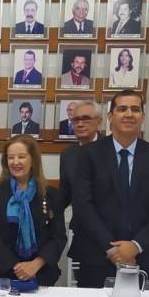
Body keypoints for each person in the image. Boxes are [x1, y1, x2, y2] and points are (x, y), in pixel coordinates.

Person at [70, 89, 149, 288]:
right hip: (97, 256)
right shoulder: (88, 154)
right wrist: (113, 249)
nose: (128, 114)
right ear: (110, 117)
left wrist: (135, 246)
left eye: (135, 109)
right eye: (122, 109)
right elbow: (83, 204)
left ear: (142, 116)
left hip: (142, 256)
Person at [0, 136, 66, 286]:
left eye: (21, 157)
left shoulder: (51, 195)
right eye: (10, 157)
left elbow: (58, 237)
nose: (15, 162)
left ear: (33, 160)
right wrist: (16, 267)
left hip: (40, 274)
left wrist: (35, 264)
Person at [58, 101, 102, 260]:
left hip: (112, 231)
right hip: (82, 230)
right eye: (76, 120)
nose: (80, 124)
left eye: (86, 118)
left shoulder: (112, 149)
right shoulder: (68, 155)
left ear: (99, 122)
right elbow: (65, 194)